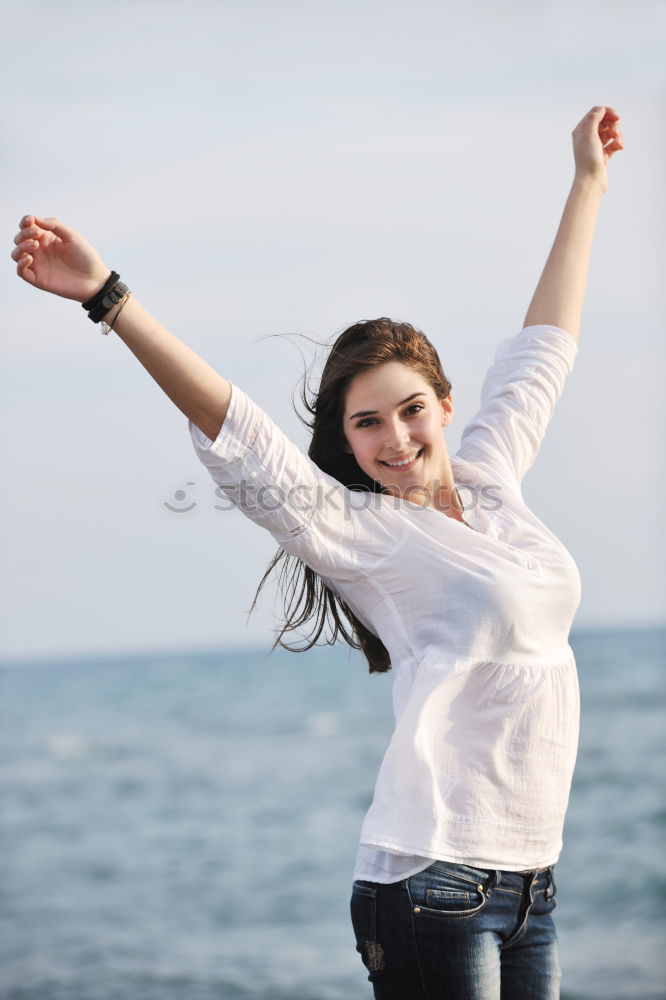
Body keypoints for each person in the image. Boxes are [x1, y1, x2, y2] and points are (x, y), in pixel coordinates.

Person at [11, 105, 623, 999]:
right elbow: (240, 429)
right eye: (366, 424)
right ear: (347, 442)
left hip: (533, 886)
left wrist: (587, 185)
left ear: (445, 404)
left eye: (411, 409)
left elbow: (545, 350)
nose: (396, 438)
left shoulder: (494, 482)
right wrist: (110, 297)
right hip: (430, 885)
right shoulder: (365, 535)